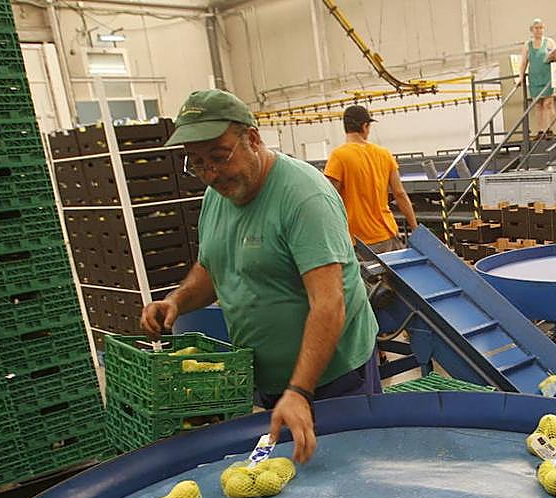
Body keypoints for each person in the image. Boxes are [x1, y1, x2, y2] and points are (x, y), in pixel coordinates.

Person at [140, 89, 380, 463]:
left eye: (219, 157)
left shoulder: (303, 196)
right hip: (270, 385)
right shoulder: (217, 195)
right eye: (198, 163)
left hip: (335, 382)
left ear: (252, 138)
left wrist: (300, 390)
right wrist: (176, 301)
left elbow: (329, 303)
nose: (211, 173)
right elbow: (212, 266)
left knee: (349, 481)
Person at [324, 104, 417, 254]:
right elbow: (400, 194)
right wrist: (415, 228)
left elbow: (328, 198)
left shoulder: (338, 156)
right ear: (365, 126)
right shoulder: (384, 154)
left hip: (359, 241)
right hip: (389, 234)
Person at [518, 18, 556, 139]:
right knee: (538, 105)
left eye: (541, 28)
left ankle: (553, 129)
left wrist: (554, 57)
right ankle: (541, 131)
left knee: (549, 103)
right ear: (532, 30)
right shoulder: (528, 45)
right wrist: (520, 76)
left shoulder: (549, 42)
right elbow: (523, 62)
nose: (539, 30)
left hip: (547, 76)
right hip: (534, 77)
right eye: (536, 28)